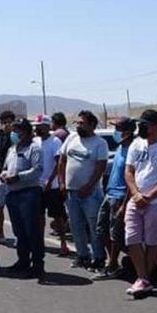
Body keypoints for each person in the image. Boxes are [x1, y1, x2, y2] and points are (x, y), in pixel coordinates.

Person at [124, 110, 157, 296]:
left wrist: (148, 197)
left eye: (144, 124)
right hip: (135, 199)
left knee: (151, 241)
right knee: (132, 239)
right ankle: (142, 277)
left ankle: (144, 279)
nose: (141, 128)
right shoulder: (136, 145)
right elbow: (129, 171)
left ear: (155, 126)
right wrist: (136, 194)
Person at [57, 110, 108, 269]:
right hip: (71, 192)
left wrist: (88, 186)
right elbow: (62, 160)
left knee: (93, 226)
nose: (78, 126)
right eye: (77, 123)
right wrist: (62, 183)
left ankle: (99, 257)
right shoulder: (71, 138)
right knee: (75, 225)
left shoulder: (100, 143)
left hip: (90, 193)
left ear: (92, 125)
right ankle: (82, 256)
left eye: (82, 123)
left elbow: (100, 167)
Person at [94, 116, 136, 280]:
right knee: (101, 229)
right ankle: (114, 263)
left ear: (127, 132)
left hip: (120, 196)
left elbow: (132, 178)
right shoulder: (121, 147)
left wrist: (124, 205)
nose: (115, 132)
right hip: (110, 193)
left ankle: (112, 265)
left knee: (116, 233)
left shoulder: (132, 150)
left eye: (118, 129)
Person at [3, 119, 45, 279]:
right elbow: (7, 167)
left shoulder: (34, 148)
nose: (15, 133)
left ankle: (37, 264)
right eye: (14, 130)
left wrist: (18, 177)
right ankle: (23, 261)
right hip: (12, 194)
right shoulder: (12, 149)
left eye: (18, 130)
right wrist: (4, 174)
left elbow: (37, 170)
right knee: (19, 231)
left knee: (32, 230)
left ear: (27, 131)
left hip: (29, 193)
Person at [32, 114, 69, 257]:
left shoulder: (55, 142)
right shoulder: (35, 141)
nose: (37, 129)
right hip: (37, 185)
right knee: (39, 215)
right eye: (36, 127)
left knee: (58, 216)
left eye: (40, 127)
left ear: (47, 126)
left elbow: (58, 162)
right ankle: (40, 242)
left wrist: (51, 179)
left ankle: (63, 243)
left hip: (51, 186)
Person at [0, 110, 16, 244]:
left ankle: (19, 235)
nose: (6, 125)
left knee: (15, 208)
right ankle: (0, 234)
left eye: (9, 122)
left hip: (14, 178)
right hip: (0, 178)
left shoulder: (18, 137)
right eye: (4, 122)